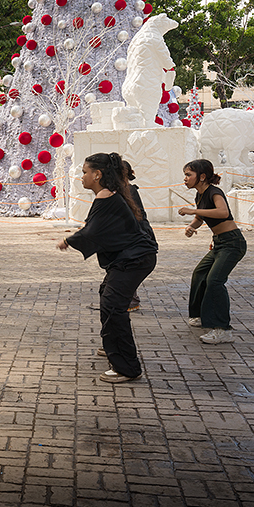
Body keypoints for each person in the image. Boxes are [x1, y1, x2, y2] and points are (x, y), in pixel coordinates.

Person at [55, 153, 158, 383]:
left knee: (113, 306)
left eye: (84, 172)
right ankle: (112, 347)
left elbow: (93, 231)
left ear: (97, 174)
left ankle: (126, 367)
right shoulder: (110, 194)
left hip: (134, 259)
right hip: (134, 258)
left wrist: (69, 241)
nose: (82, 177)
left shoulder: (106, 196)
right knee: (109, 299)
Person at [177, 159, 246, 345]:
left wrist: (192, 211)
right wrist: (192, 226)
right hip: (219, 243)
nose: (185, 179)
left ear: (202, 177)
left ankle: (222, 329)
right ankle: (199, 316)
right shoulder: (200, 195)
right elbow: (201, 216)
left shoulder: (214, 192)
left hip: (232, 243)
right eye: (185, 174)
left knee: (214, 281)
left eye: (188, 175)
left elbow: (222, 212)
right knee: (200, 274)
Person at [120, 159, 153, 313]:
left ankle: (130, 301)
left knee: (128, 267)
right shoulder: (123, 190)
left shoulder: (128, 190)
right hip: (130, 235)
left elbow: (135, 214)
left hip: (135, 235)